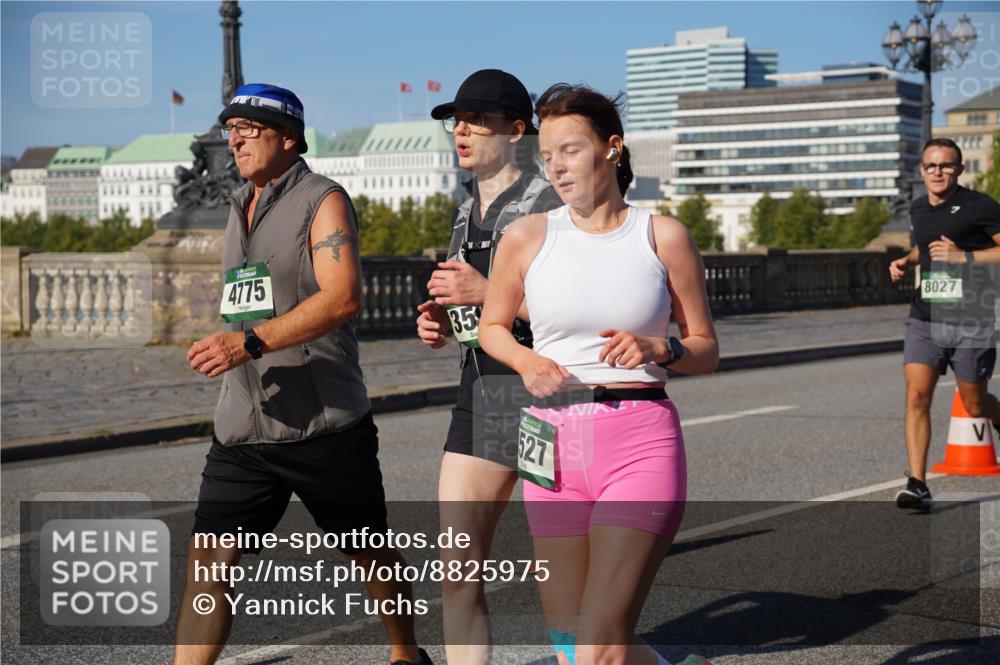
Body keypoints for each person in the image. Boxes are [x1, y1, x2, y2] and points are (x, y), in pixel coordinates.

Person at [174, 83, 432, 665]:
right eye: (229, 128)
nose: (233, 138)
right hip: (244, 425)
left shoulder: (323, 199)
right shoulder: (238, 206)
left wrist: (249, 343)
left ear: (289, 137)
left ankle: (406, 654)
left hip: (324, 425)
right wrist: (235, 349)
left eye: (249, 128)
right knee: (208, 563)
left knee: (370, 554)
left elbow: (341, 299)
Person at [479, 83, 718, 665]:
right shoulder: (527, 237)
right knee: (569, 643)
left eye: (571, 150)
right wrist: (526, 359)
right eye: (547, 155)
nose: (556, 166)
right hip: (548, 443)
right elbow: (492, 327)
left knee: (599, 648)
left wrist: (660, 348)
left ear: (612, 148)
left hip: (637, 439)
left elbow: (706, 349)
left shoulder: (661, 236)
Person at [415, 68, 562, 664]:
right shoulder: (464, 211)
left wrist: (486, 295)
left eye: (478, 120)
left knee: (563, 579)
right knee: (457, 567)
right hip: (484, 395)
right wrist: (440, 323)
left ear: (518, 131)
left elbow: (581, 311)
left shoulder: (553, 204)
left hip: (546, 396)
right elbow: (471, 312)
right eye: (458, 120)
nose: (463, 130)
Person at [889, 137, 1000, 509]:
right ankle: (917, 483)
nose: (938, 172)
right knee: (916, 395)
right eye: (931, 166)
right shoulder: (919, 208)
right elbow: (926, 246)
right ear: (922, 170)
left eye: (946, 165)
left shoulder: (979, 206)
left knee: (974, 404)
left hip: (971, 317)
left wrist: (964, 257)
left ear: (960, 169)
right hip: (926, 315)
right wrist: (907, 260)